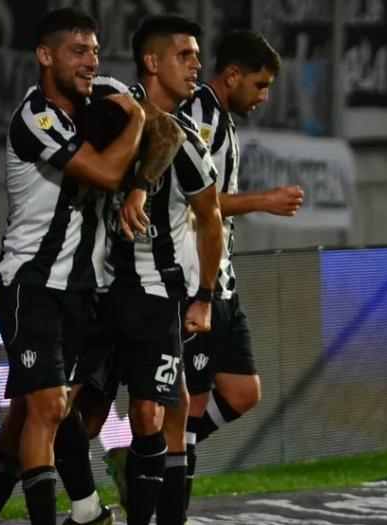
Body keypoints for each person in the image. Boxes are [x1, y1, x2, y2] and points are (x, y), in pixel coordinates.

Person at [0, 8, 146, 525]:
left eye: (96, 51)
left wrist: (142, 174)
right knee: (51, 407)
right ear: (46, 56)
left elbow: (160, 127)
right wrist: (139, 122)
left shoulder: (102, 95)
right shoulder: (36, 117)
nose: (91, 61)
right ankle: (79, 513)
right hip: (29, 281)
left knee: (47, 412)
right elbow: (102, 171)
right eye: (78, 51)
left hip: (80, 288)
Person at [160, 29, 298, 524]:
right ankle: (161, 499)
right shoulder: (197, 113)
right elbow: (198, 204)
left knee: (242, 392)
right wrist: (263, 201)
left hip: (223, 280)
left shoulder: (219, 118)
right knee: (188, 411)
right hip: (197, 280)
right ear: (232, 75)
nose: (263, 97)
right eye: (259, 85)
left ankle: (152, 472)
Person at [101, 14, 223, 525]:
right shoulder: (111, 101)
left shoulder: (192, 140)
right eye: (184, 55)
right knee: (68, 412)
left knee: (152, 412)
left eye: (197, 55)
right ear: (152, 62)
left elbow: (210, 218)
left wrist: (204, 297)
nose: (197, 65)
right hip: (96, 288)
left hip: (155, 293)